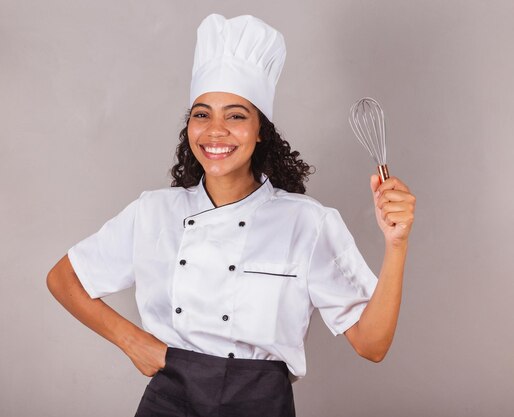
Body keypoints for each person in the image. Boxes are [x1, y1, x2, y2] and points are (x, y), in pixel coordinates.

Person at [47, 13, 416, 417]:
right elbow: (63, 278)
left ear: (261, 130)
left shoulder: (307, 223)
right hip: (171, 400)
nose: (215, 130)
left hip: (260, 401)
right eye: (202, 114)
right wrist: (132, 340)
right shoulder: (153, 212)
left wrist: (396, 245)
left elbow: (372, 344)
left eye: (236, 115)